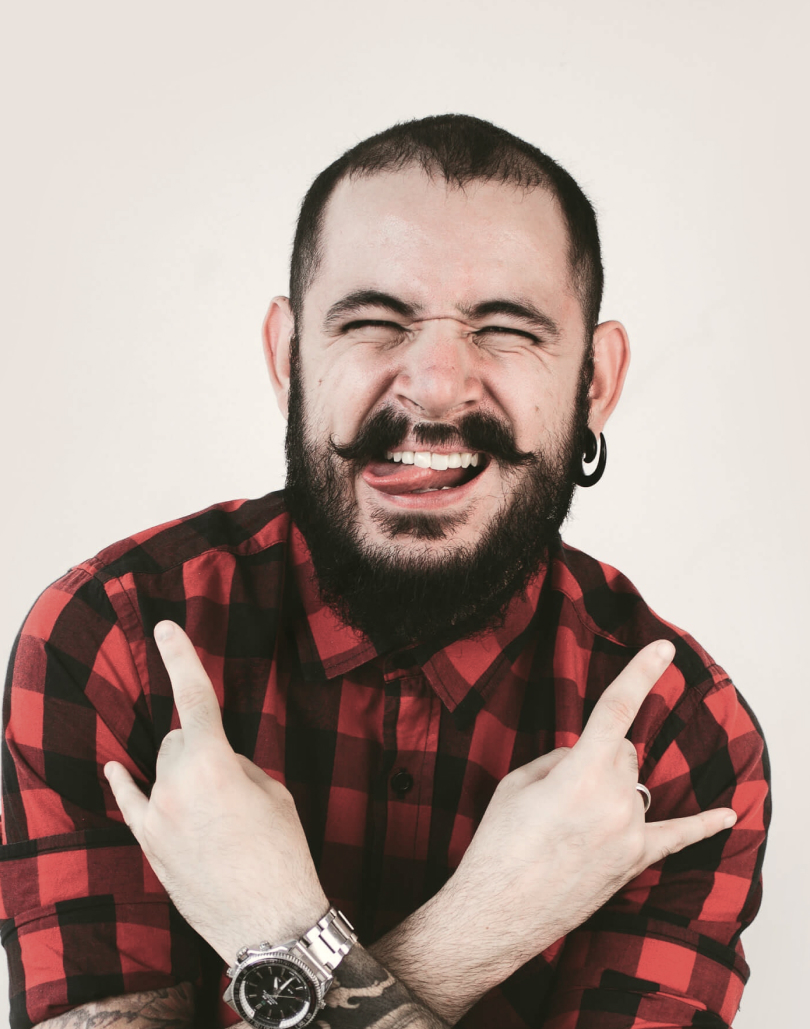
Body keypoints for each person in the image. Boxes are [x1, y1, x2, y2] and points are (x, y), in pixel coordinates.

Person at [0, 115, 769, 1029]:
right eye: (372, 322)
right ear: (288, 358)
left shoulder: (680, 739)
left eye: (506, 328)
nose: (436, 386)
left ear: (595, 383)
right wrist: (474, 932)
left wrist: (279, 932)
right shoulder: (113, 642)